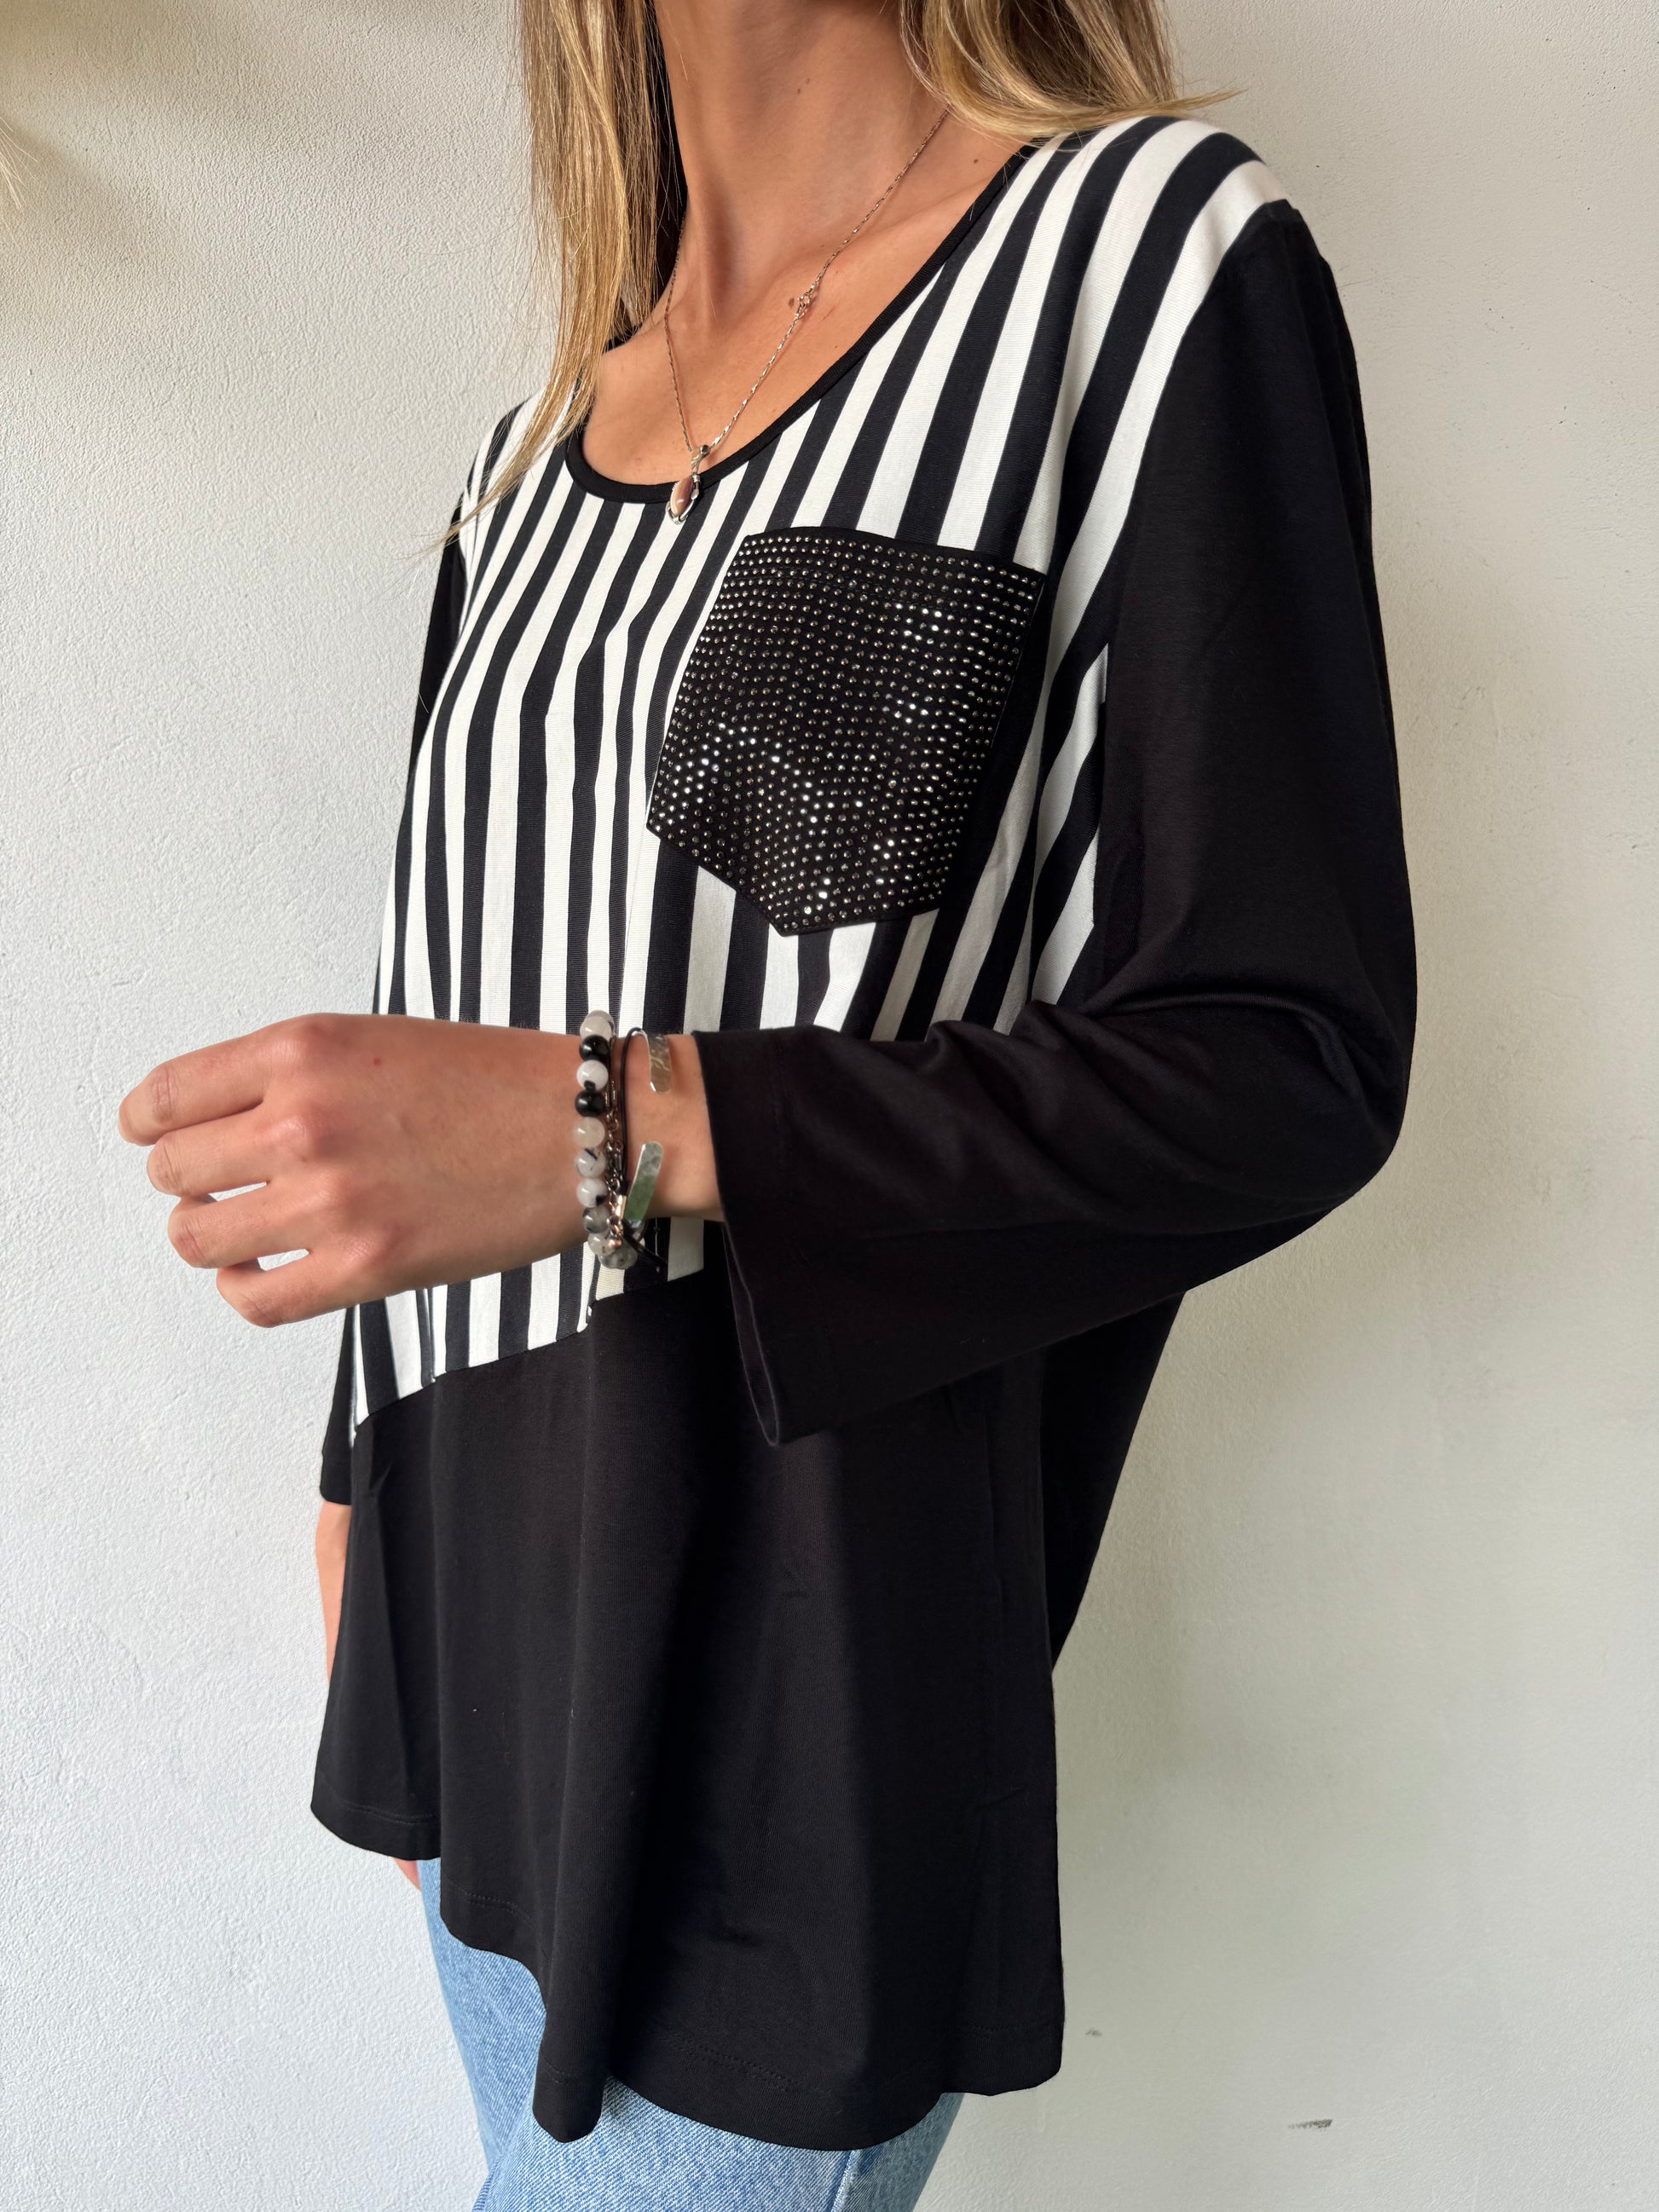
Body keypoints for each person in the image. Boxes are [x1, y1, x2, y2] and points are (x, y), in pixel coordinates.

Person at [117, 0, 1416, 2198]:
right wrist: (358, 1484)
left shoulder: (1148, 266)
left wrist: (625, 1125)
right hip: (466, 1628)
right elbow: (458, 997)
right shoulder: (533, 451)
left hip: (785, 1694)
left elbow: (1287, 1058)